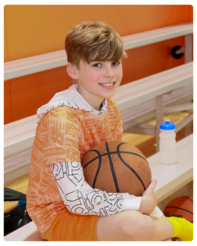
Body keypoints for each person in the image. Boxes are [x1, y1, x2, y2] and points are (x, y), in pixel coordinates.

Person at [26, 22, 193, 241]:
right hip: (58, 214)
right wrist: (139, 204)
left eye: (115, 63)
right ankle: (181, 226)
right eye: (97, 65)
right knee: (134, 224)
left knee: (141, 220)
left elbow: (114, 172)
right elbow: (75, 199)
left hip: (96, 199)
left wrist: (141, 203)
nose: (109, 73)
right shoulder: (59, 120)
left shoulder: (110, 108)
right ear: (72, 70)